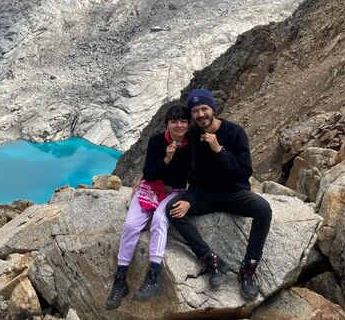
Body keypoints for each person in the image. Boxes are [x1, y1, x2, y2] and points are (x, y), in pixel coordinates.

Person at [166, 88, 271, 300]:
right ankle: (212, 261)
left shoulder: (234, 132)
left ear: (213, 109)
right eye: (195, 111)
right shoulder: (194, 135)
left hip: (234, 193)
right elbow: (195, 177)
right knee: (173, 210)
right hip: (207, 195)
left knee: (263, 210)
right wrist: (188, 199)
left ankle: (248, 269)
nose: (200, 114)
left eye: (204, 108)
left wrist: (219, 151)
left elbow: (244, 172)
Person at [105, 105, 192, 310]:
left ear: (188, 124)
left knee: (160, 220)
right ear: (167, 124)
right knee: (131, 225)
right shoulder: (156, 142)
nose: (179, 125)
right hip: (151, 188)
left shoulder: (193, 145)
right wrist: (167, 159)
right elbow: (150, 173)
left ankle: (153, 274)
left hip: (174, 191)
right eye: (174, 121)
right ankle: (120, 279)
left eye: (183, 121)